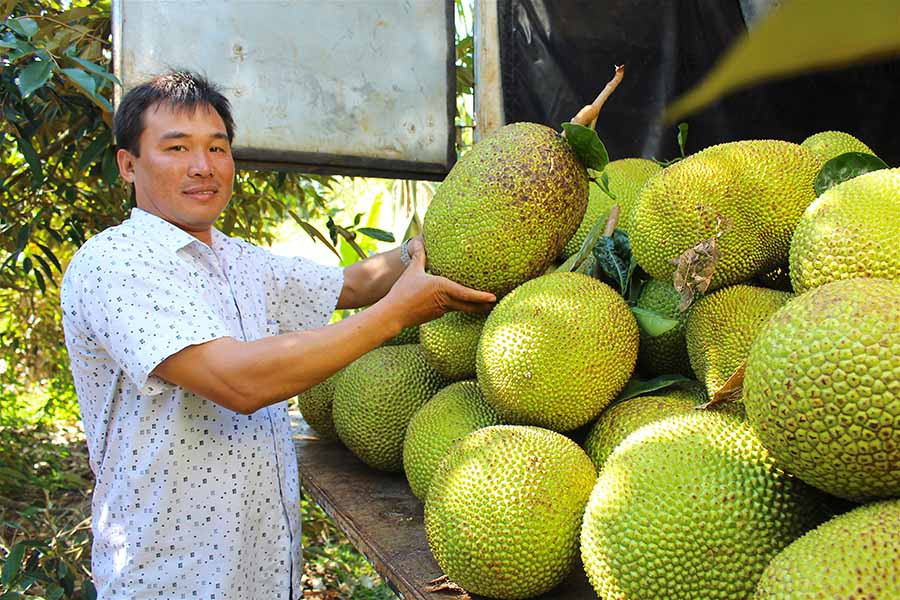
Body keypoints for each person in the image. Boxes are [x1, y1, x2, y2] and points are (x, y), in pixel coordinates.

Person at [60, 70, 495, 600]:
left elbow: (351, 284)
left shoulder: (237, 259)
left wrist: (431, 245)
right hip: (172, 576)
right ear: (129, 164)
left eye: (217, 148)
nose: (203, 166)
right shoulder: (115, 264)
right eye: (177, 148)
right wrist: (394, 315)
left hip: (262, 570)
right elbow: (237, 381)